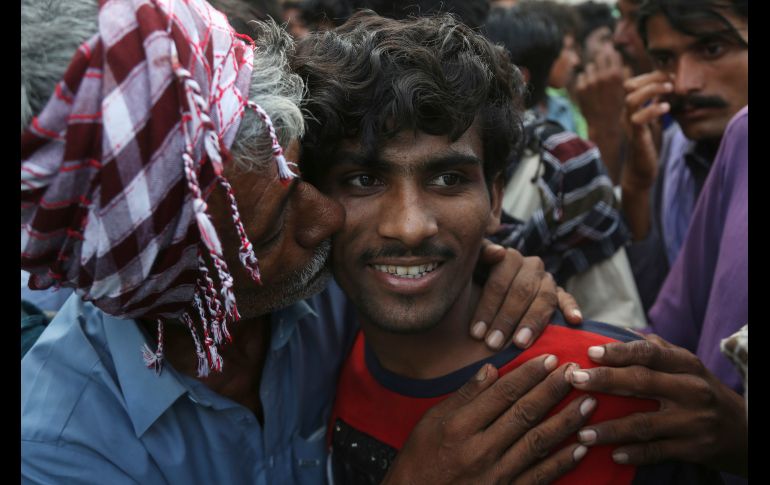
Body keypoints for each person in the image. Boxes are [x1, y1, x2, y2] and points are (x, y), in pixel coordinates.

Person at [21, 0, 589, 482]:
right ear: (165, 289)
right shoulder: (63, 445)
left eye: (306, 177)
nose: (328, 221)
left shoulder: (328, 285)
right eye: (268, 230)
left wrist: (479, 270)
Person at [293, 11, 679, 485]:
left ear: (495, 199)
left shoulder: (620, 388)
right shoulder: (311, 355)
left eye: (448, 179)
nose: (410, 227)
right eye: (364, 180)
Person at [484, 4, 647, 329]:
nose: (574, 61)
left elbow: (615, 316)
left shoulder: (564, 162)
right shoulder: (467, 153)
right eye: (566, 51)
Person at [620, 0, 748, 311]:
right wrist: (637, 188)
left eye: (712, 49)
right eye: (664, 59)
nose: (683, 83)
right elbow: (665, 317)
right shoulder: (674, 155)